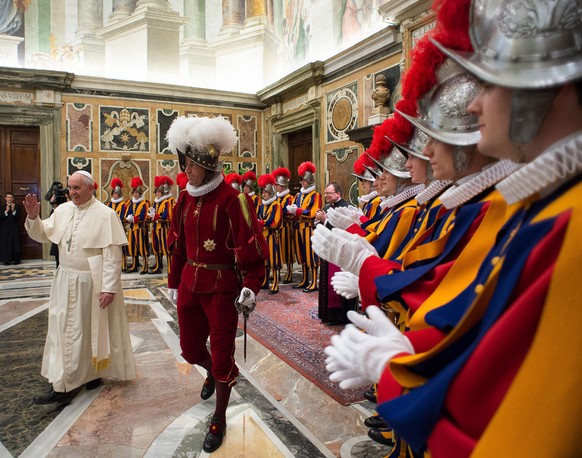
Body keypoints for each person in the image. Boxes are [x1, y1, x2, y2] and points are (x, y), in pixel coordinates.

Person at [324, 0, 582, 455]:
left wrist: (400, 367)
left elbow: (519, 412)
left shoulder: (557, 212)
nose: (478, 103)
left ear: (537, 87)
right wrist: (407, 352)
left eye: (488, 83)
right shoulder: (540, 200)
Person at [166, 116, 268, 453]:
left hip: (223, 289)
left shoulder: (232, 200)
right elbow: (177, 245)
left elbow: (252, 251)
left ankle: (219, 416)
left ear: (207, 165)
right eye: (184, 163)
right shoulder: (183, 199)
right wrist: (172, 282)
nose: (186, 170)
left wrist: (251, 285)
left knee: (223, 357)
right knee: (190, 349)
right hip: (189, 286)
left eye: (191, 164)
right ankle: (212, 372)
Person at [23, 171, 136, 405]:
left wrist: (109, 288)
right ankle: (65, 382)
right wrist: (34, 218)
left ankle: (82, 378)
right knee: (64, 329)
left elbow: (113, 256)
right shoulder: (63, 210)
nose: (71, 192)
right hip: (64, 278)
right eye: (70, 187)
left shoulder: (106, 215)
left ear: (90, 188)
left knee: (86, 331)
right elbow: (44, 234)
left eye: (76, 188)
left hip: (90, 282)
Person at [315, 182, 358, 324]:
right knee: (326, 283)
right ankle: (327, 314)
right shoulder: (327, 207)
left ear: (337, 194)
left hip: (341, 252)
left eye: (329, 193)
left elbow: (343, 229)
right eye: (325, 193)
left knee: (338, 283)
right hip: (328, 250)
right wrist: (318, 221)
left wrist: (325, 220)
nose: (326, 195)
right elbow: (323, 226)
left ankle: (339, 317)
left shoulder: (346, 208)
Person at [287, 161, 322, 292]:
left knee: (310, 255)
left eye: (304, 180)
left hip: (309, 228)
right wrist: (292, 211)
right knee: (301, 254)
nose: (302, 183)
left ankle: (313, 281)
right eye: (301, 180)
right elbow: (296, 210)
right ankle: (304, 279)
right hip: (298, 227)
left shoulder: (316, 195)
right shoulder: (298, 195)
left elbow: (313, 213)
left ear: (309, 181)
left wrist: (298, 211)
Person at [257, 174, 282, 294]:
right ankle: (265, 282)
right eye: (262, 192)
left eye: (265, 192)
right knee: (264, 260)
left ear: (270, 193)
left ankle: (276, 284)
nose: (263, 194)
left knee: (273, 260)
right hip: (263, 236)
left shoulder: (276, 205)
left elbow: (274, 222)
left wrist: (261, 223)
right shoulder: (262, 205)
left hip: (272, 235)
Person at [273, 167, 296, 283]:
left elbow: (290, 213)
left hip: (286, 227)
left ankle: (290, 272)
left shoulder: (290, 198)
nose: (276, 186)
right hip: (277, 229)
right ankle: (275, 272)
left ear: (282, 186)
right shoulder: (275, 198)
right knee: (276, 251)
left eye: (277, 185)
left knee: (287, 250)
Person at [148, 175, 175, 274]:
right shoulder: (155, 202)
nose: (158, 194)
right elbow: (154, 212)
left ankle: (170, 268)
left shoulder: (166, 202)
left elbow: (166, 216)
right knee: (156, 247)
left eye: (159, 192)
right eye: (157, 192)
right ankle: (158, 266)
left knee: (165, 248)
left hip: (163, 228)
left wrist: (155, 216)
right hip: (155, 227)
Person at [124, 176, 150, 274]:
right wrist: (128, 218)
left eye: (137, 193)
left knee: (142, 247)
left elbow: (144, 215)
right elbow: (128, 212)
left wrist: (135, 218)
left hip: (140, 228)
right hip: (132, 228)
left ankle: (145, 266)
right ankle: (134, 265)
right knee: (132, 247)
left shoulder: (144, 203)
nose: (135, 194)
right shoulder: (131, 203)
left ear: (140, 194)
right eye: (134, 193)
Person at [106, 178, 128, 271]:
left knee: (121, 246)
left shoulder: (123, 205)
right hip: (111, 227)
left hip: (120, 226)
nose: (115, 195)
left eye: (117, 194)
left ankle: (123, 264)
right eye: (114, 194)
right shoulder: (108, 204)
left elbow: (123, 215)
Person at [0, 192, 22, 265]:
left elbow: (19, 217)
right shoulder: (2, 207)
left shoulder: (16, 206)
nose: (9, 199)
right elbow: (1, 217)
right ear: (5, 198)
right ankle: (7, 260)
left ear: (13, 199)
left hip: (14, 229)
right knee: (6, 244)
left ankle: (16, 260)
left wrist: (13, 211)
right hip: (5, 229)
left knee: (15, 244)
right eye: (8, 197)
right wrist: (6, 211)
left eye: (11, 197)